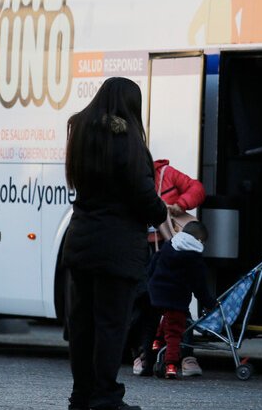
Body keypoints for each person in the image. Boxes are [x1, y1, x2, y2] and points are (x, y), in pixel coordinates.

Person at [62, 77, 167, 410]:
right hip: (117, 248)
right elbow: (143, 195)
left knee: (82, 326)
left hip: (80, 242)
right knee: (111, 325)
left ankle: (82, 395)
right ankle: (106, 396)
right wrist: (161, 210)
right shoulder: (128, 142)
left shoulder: (80, 134)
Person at [132, 158, 206, 377]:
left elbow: (196, 188)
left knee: (176, 304)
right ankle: (145, 355)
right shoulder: (132, 178)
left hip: (167, 245)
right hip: (141, 248)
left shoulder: (167, 173)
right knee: (146, 304)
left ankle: (184, 354)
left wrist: (181, 204)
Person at [147, 221, 218, 379]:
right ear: (199, 241)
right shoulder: (194, 258)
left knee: (166, 317)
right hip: (176, 298)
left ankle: (157, 341)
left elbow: (153, 264)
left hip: (157, 293)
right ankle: (170, 365)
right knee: (174, 332)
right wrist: (208, 302)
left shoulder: (168, 246)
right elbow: (199, 285)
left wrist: (150, 283)